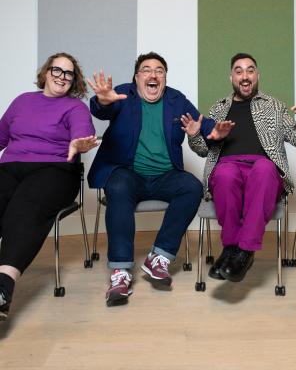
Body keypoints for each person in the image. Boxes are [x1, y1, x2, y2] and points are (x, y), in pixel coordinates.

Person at [87, 52, 233, 306]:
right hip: (128, 173)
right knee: (118, 185)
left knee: (191, 187)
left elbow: (201, 123)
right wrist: (102, 101)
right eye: (146, 70)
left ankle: (159, 257)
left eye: (159, 71)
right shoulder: (123, 94)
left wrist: (215, 132)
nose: (153, 75)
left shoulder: (176, 100)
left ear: (165, 78)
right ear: (137, 77)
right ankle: (120, 272)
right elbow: (102, 109)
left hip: (166, 175)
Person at [182, 53, 296, 283]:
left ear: (257, 75)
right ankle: (232, 249)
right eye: (239, 71)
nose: (245, 75)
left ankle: (245, 251)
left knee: (263, 168)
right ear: (231, 77)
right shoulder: (218, 109)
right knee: (224, 173)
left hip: (264, 169)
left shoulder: (274, 106)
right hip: (228, 166)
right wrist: (194, 136)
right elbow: (203, 149)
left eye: (250, 70)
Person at [0, 52, 97, 321]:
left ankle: (3, 288)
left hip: (55, 170)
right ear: (45, 73)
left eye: (68, 74)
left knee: (24, 206)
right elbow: (1, 136)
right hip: (10, 168)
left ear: (73, 81)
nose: (62, 77)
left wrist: (79, 143)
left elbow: (81, 130)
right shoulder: (22, 101)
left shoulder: (75, 107)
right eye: (57, 70)